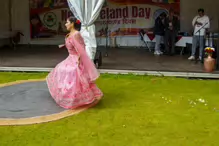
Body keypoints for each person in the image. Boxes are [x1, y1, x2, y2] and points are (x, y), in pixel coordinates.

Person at [46, 16, 103, 109]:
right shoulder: (71, 34)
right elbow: (72, 44)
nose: (65, 24)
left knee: (71, 71)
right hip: (70, 58)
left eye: (67, 22)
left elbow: (81, 47)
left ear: (72, 24)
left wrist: (79, 60)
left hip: (75, 59)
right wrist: (65, 45)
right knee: (59, 69)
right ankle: (65, 94)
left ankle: (75, 97)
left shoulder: (76, 34)